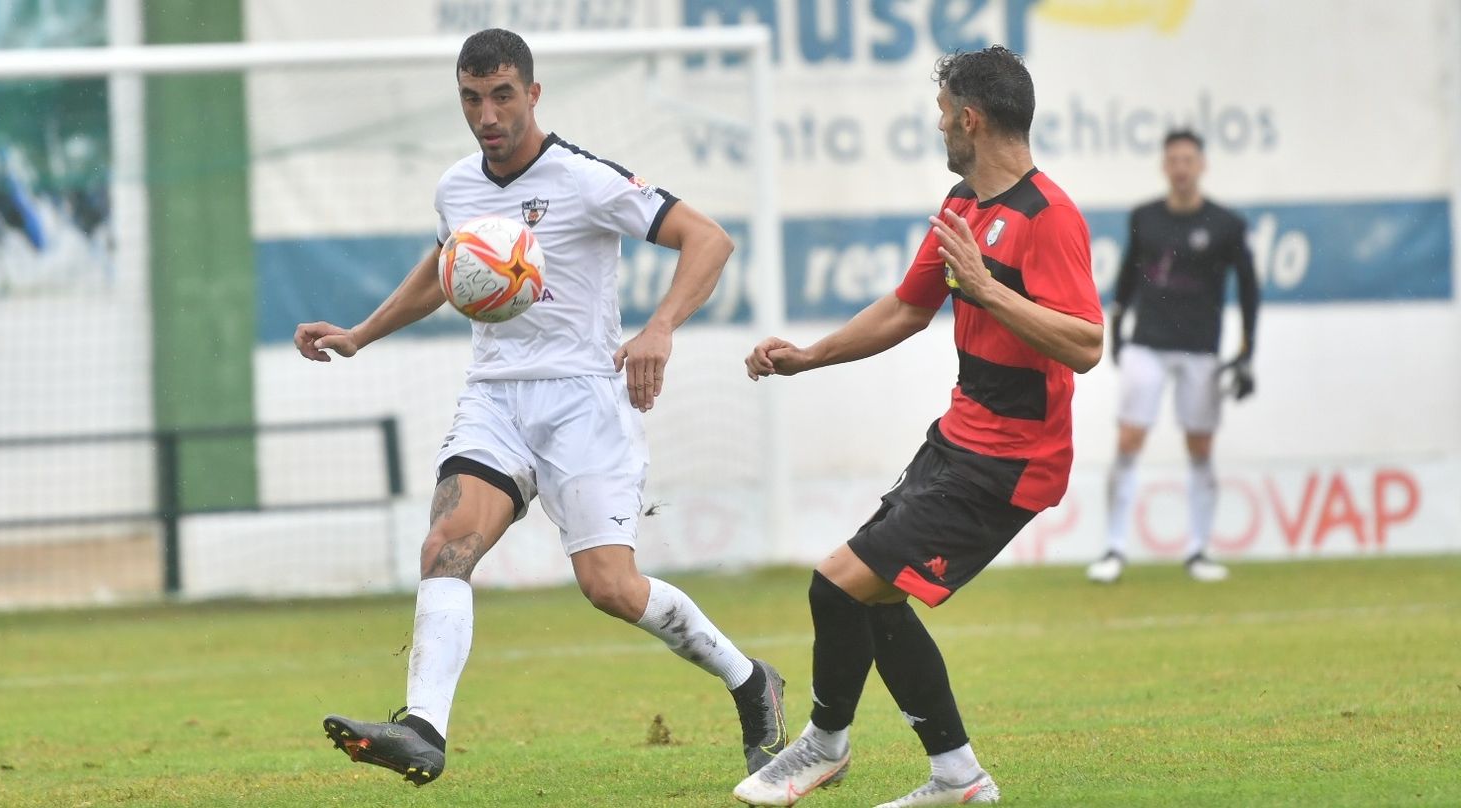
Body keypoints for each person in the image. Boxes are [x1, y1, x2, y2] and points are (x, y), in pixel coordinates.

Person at [295, 28, 786, 787]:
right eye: (470, 98)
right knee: (446, 544)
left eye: (500, 96)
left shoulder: (586, 180)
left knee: (611, 588)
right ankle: (423, 728)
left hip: (586, 400)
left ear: (532, 93)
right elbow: (445, 266)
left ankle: (751, 681)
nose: (486, 115)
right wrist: (362, 333)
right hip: (495, 398)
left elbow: (709, 240)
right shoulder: (457, 187)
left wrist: (659, 329)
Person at [732, 46, 1102, 807]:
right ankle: (958, 778)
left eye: (942, 116)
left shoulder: (1049, 217)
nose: (939, 131)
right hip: (958, 440)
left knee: (838, 588)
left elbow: (1086, 344)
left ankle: (825, 745)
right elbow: (906, 309)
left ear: (970, 117)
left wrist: (991, 292)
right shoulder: (963, 209)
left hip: (1014, 459)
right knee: (868, 595)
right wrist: (809, 357)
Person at [1085, 129, 1260, 585]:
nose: (1181, 167)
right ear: (1165, 166)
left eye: (1189, 159)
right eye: (1174, 160)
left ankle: (1198, 550)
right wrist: (1117, 325)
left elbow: (1248, 288)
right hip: (1148, 343)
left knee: (1200, 447)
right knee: (1128, 440)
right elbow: (1126, 275)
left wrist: (1246, 351)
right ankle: (1114, 548)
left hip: (1201, 348)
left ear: (1201, 164)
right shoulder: (1146, 216)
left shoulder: (1226, 224)